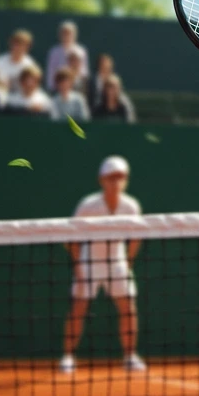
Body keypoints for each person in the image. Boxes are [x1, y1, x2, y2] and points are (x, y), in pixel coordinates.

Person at [60, 156, 146, 374]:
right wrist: (79, 266)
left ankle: (130, 356)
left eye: (120, 177)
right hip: (90, 262)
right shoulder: (88, 205)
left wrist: (127, 262)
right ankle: (68, 357)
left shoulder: (131, 205)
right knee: (78, 309)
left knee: (128, 310)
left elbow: (137, 237)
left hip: (117, 262)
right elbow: (71, 236)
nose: (116, 182)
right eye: (111, 178)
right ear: (101, 180)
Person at [45, 21, 89, 92]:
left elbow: (84, 72)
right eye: (64, 33)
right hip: (58, 89)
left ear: (75, 35)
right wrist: (52, 88)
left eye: (69, 33)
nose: (66, 36)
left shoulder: (81, 51)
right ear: (60, 35)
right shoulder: (54, 51)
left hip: (77, 88)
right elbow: (50, 72)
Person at [0, 29, 37, 95]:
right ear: (10, 44)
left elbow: (32, 86)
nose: (19, 48)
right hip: (0, 98)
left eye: (23, 45)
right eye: (16, 44)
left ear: (28, 48)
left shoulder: (30, 64)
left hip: (21, 100)